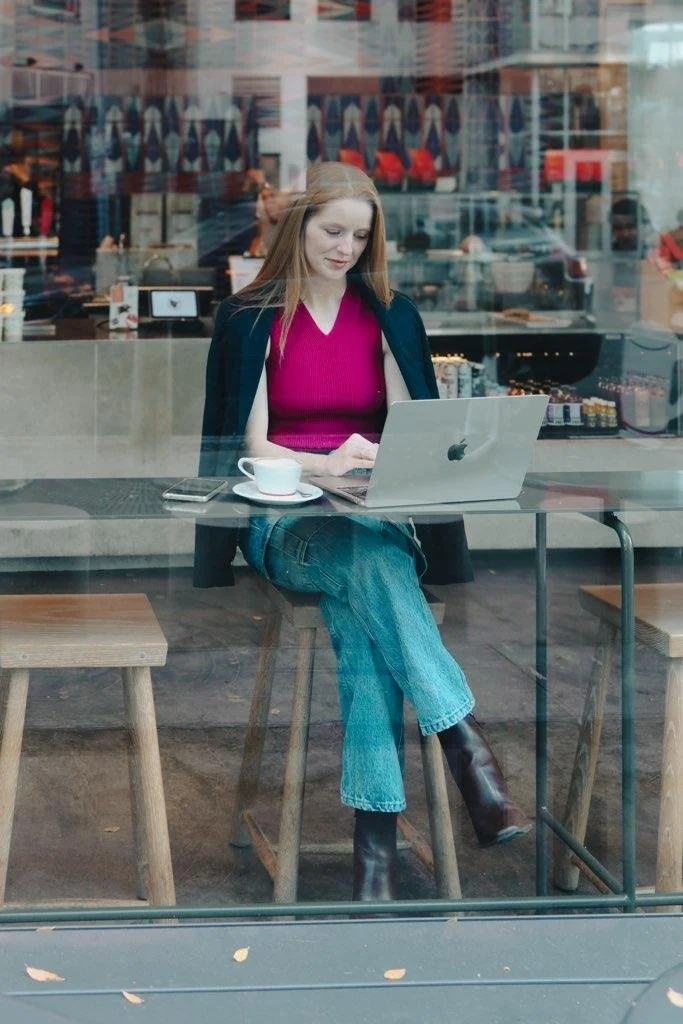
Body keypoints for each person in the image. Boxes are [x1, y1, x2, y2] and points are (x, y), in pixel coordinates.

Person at [195, 161, 530, 902]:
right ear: (298, 227)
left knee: (363, 596)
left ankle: (375, 850)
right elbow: (249, 447)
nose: (345, 247)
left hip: (371, 517)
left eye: (359, 235)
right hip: (284, 522)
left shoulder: (389, 314)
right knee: (372, 570)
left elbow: (422, 432)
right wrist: (324, 462)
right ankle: (462, 747)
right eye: (331, 231)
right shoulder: (252, 316)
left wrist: (397, 454)